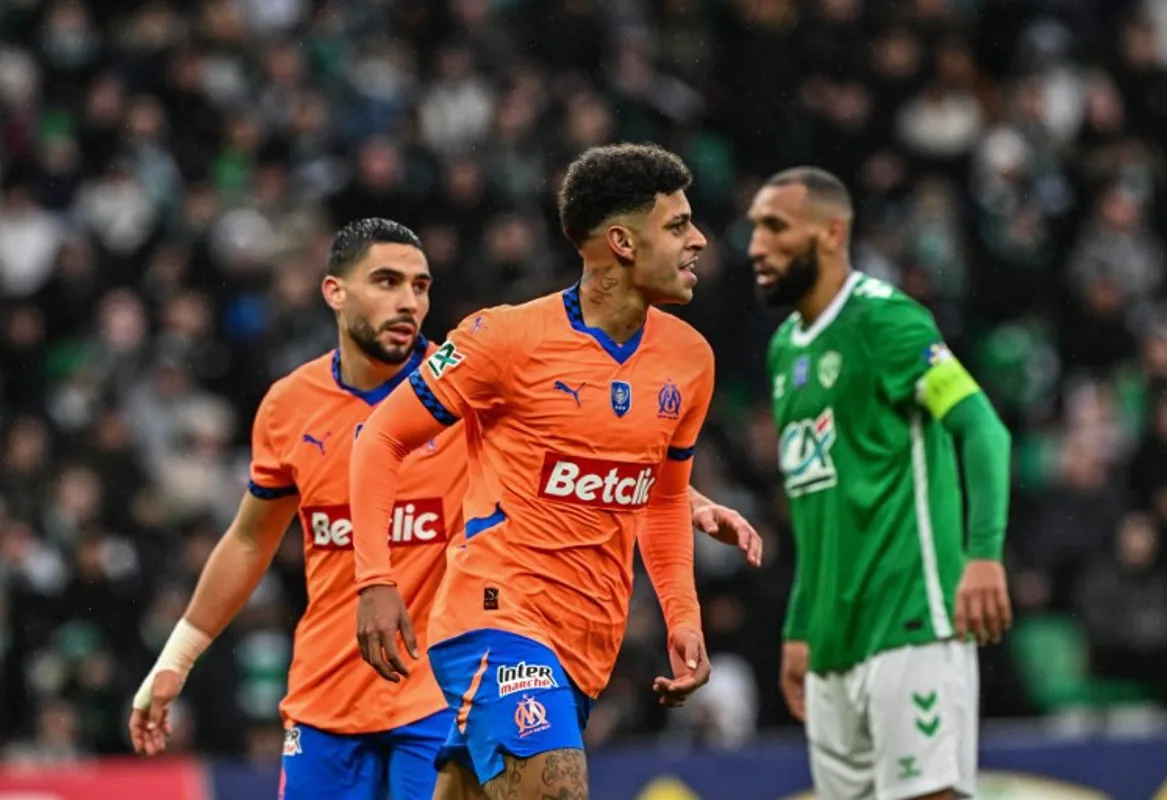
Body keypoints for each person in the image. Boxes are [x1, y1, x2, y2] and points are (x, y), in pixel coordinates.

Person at [128, 217, 758, 800]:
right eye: (386, 282)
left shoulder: (466, 392)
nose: (408, 301)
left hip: (436, 692)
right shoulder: (289, 406)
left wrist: (687, 498)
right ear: (333, 292)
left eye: (421, 286)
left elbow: (574, 451)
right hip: (324, 699)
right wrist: (176, 659)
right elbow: (248, 541)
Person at [351, 143, 723, 800]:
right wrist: (375, 580)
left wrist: (683, 617)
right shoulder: (505, 340)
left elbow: (662, 500)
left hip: (585, 642)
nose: (697, 241)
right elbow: (381, 436)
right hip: (497, 609)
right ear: (621, 242)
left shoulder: (690, 360)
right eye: (677, 226)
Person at [746, 167, 1013, 800]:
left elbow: (982, 429)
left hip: (911, 621)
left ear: (832, 233)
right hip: (832, 646)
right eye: (755, 227)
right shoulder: (786, 348)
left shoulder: (888, 322)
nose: (756, 245)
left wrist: (984, 556)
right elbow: (816, 506)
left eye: (776, 227)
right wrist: (799, 627)